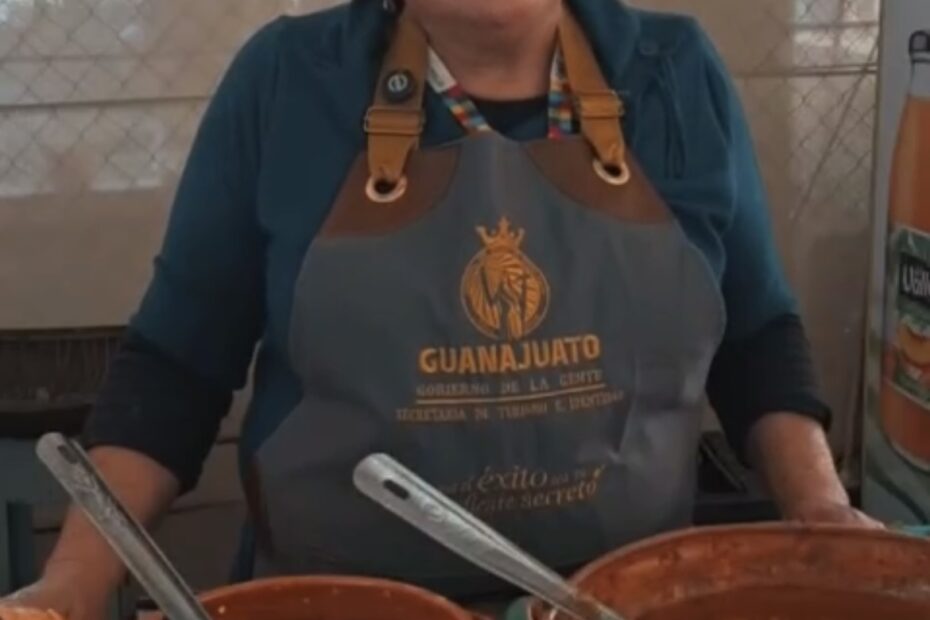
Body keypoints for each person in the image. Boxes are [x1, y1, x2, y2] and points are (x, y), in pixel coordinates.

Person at [1, 0, 881, 617]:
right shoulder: (287, 84)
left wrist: (820, 509)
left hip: (623, 600)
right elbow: (175, 369)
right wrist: (71, 586)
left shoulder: (674, 75)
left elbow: (756, 334)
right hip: (338, 605)